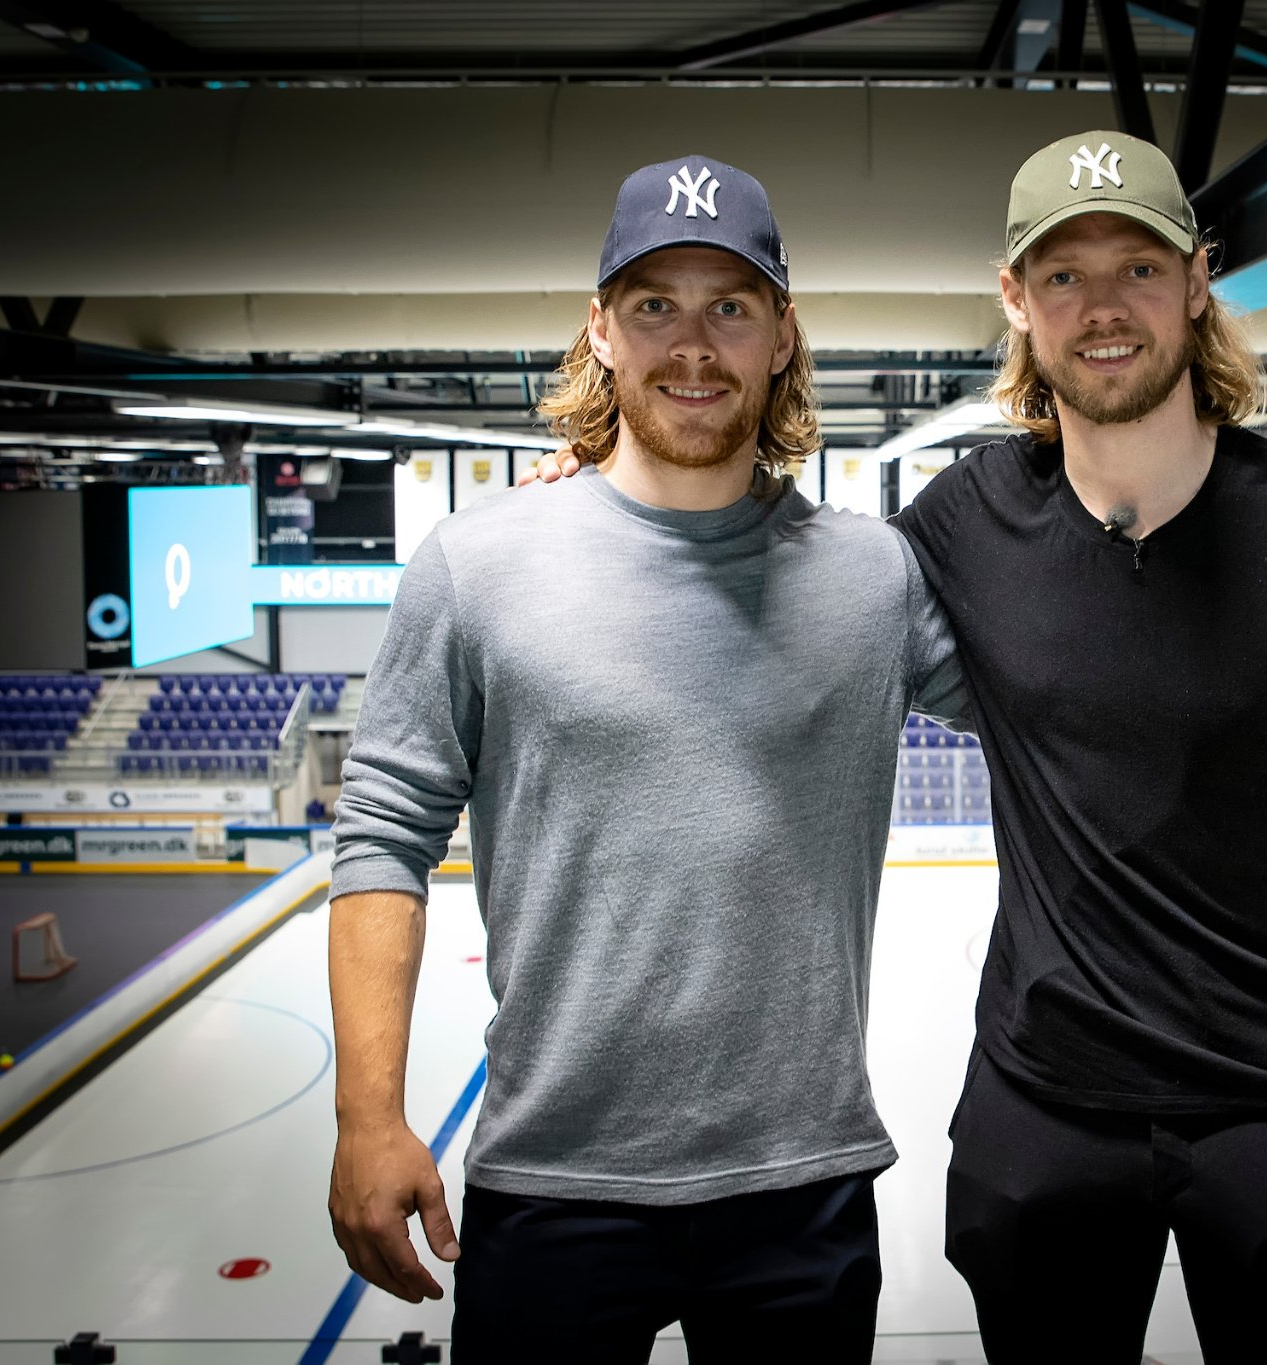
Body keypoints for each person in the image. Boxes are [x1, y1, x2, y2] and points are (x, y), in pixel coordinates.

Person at [527, 130, 1267, 1363]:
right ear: (1015, 303)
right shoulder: (961, 523)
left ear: (1198, 282)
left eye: (1137, 266)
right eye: (1061, 276)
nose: (1102, 307)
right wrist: (601, 497)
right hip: (1043, 1098)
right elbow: (783, 570)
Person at [328, 155, 967, 1364]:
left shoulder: (871, 576)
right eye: (653, 305)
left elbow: (1069, 697)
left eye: (730, 305)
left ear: (782, 334)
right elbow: (381, 834)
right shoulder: (479, 564)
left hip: (802, 1176)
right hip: (553, 1180)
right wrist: (369, 1118)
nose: (691, 344)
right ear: (600, 330)